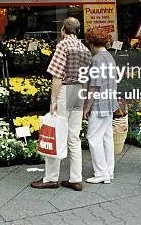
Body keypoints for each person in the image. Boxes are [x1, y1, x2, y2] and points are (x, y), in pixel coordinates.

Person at [31, 17, 92, 191]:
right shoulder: (84, 49)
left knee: (56, 133)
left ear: (63, 30)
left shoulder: (63, 46)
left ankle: (51, 178)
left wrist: (53, 101)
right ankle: (76, 178)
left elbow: (57, 76)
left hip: (66, 91)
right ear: (78, 31)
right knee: (74, 137)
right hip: (79, 91)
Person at [83, 27, 119, 184]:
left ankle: (101, 172)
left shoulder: (97, 59)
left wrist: (87, 106)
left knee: (93, 138)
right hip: (110, 102)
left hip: (99, 104)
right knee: (106, 137)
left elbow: (94, 86)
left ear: (91, 43)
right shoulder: (109, 56)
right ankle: (109, 170)